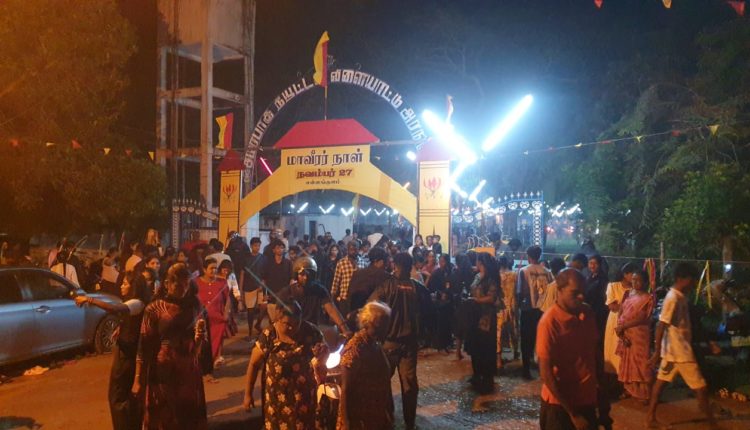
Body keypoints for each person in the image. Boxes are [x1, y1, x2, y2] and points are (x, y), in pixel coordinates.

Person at [133, 263, 208, 429]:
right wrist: (138, 379)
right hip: (163, 369)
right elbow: (144, 345)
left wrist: (199, 338)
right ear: (167, 284)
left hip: (188, 370)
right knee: (165, 416)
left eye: (186, 285)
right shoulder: (154, 308)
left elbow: (199, 346)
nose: (183, 289)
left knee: (187, 417)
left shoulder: (194, 305)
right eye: (178, 285)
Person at [75, 272, 151, 430]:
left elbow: (115, 309)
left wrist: (89, 299)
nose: (122, 286)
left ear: (134, 287)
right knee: (120, 396)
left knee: (117, 397)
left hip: (127, 356)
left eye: (125, 284)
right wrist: (121, 327)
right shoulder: (133, 303)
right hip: (124, 352)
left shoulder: (137, 302)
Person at [646, 263, 716, 429]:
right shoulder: (673, 298)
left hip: (673, 351)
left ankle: (650, 418)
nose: (694, 284)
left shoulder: (680, 297)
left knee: (660, 383)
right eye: (692, 280)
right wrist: (656, 352)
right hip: (680, 352)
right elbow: (661, 325)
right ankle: (712, 423)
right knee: (700, 387)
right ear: (681, 279)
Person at [242, 301, 328, 429]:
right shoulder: (269, 335)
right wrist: (248, 395)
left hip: (304, 400)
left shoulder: (311, 332)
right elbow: (254, 364)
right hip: (276, 401)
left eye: (296, 324)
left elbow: (323, 357)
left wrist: (322, 355)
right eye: (287, 324)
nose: (292, 328)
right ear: (278, 319)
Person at [537, 268, 599, 430]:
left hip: (587, 400)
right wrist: (573, 414)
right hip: (560, 405)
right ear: (559, 290)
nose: (581, 297)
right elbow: (546, 373)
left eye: (583, 292)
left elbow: (595, 355)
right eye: (575, 293)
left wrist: (603, 402)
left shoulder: (587, 313)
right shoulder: (549, 322)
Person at [369, 252, 420, 430]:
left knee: (382, 381)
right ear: (410, 267)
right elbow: (429, 312)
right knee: (409, 385)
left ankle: (387, 420)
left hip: (389, 343)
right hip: (410, 344)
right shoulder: (417, 287)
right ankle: (410, 424)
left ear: (395, 265)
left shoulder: (385, 286)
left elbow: (370, 308)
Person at [338, 301, 394, 430]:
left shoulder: (375, 345)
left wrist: (389, 409)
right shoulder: (355, 349)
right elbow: (346, 389)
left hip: (375, 415)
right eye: (384, 323)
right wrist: (346, 422)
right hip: (359, 419)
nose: (388, 327)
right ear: (371, 323)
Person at [278, 256, 351, 336]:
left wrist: (345, 329)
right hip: (291, 332)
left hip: (311, 331)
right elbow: (278, 316)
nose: (306, 278)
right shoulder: (286, 292)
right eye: (302, 274)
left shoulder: (319, 290)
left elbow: (331, 310)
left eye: (309, 274)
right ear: (296, 275)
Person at [615, 270, 654, 402]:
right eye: (633, 279)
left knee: (641, 362)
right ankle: (630, 389)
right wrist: (620, 328)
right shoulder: (627, 294)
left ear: (645, 282)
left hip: (640, 334)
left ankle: (644, 393)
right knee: (627, 361)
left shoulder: (648, 298)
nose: (635, 282)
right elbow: (621, 311)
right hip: (625, 332)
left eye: (638, 280)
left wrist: (624, 326)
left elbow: (643, 318)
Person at [516, 245, 553, 379]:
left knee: (526, 340)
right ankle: (543, 369)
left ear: (528, 256)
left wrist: (518, 305)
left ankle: (526, 370)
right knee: (542, 339)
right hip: (543, 310)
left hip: (528, 309)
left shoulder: (524, 271)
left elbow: (520, 291)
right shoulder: (547, 272)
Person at [465, 253, 499, 393]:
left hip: (486, 317)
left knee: (486, 347)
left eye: (478, 261)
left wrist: (476, 300)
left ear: (482, 263)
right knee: (476, 346)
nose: (476, 264)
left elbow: (491, 298)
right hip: (474, 314)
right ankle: (477, 374)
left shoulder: (491, 279)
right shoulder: (478, 276)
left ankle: (487, 377)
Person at [195, 258, 229, 368]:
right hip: (201, 318)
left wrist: (226, 313)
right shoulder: (196, 282)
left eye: (216, 268)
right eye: (211, 268)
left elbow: (228, 299)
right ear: (204, 269)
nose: (214, 270)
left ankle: (215, 359)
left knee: (217, 338)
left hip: (217, 316)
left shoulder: (222, 282)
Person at [347, 247, 390, 316]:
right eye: (386, 262)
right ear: (381, 262)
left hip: (354, 313)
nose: (386, 265)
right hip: (373, 316)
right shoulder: (384, 276)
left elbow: (349, 293)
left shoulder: (357, 273)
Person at [452, 253, 477, 361]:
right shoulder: (472, 273)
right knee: (471, 327)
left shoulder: (456, 273)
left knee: (459, 328)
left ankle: (458, 352)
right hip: (470, 301)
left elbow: (453, 288)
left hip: (459, 303)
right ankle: (471, 350)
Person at [260, 238, 293, 321]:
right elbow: (263, 280)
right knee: (272, 318)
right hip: (271, 294)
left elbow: (291, 279)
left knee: (283, 318)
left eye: (282, 247)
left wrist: (290, 293)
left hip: (284, 295)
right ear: (273, 250)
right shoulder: (268, 263)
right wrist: (264, 294)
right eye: (278, 248)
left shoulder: (288, 263)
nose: (280, 250)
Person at [240, 237, 266, 336]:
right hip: (248, 287)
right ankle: (250, 331)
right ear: (251, 246)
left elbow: (265, 274)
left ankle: (258, 323)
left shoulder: (263, 258)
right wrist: (241, 289)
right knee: (250, 310)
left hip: (260, 287)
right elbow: (242, 274)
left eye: (259, 245)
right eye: (255, 245)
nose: (257, 247)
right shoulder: (245, 258)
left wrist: (263, 283)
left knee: (264, 307)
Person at [428, 254, 454, 353]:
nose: (442, 263)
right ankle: (440, 345)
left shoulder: (450, 271)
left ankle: (448, 343)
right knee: (441, 323)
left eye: (443, 261)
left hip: (449, 301)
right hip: (439, 302)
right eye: (441, 261)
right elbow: (432, 287)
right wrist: (440, 293)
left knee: (448, 323)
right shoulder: (436, 273)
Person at [497, 256, 519, 365]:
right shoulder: (515, 274)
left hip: (500, 306)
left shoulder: (496, 276)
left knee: (499, 331)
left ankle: (498, 359)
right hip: (512, 304)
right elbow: (518, 290)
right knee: (513, 328)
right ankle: (516, 352)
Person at [331, 241, 359, 317]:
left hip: (358, 297)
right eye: (351, 249)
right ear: (348, 250)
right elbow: (336, 281)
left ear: (358, 249)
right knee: (344, 319)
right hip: (344, 296)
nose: (353, 251)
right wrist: (333, 297)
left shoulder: (363, 262)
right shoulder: (341, 262)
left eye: (355, 249)